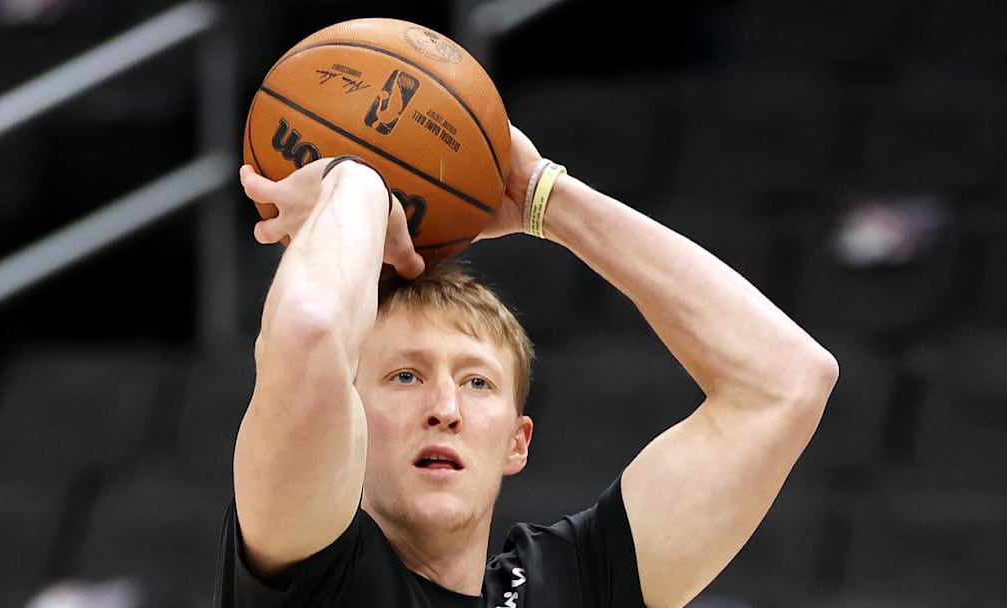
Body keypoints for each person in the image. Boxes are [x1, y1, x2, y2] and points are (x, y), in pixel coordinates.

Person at [214, 123, 839, 607]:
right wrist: (356, 181)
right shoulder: (309, 567)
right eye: (405, 376)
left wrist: (544, 196)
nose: (445, 409)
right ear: (347, 418)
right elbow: (310, 331)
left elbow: (787, 380)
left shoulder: (570, 586)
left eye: (477, 382)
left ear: (518, 442)